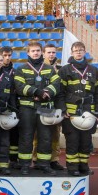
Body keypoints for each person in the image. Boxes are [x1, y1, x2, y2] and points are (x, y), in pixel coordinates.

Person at [56, 42, 98, 176]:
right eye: (76, 50)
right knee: (72, 141)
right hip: (70, 114)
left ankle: (84, 166)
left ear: (85, 52)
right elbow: (60, 92)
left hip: (89, 112)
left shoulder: (93, 70)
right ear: (71, 52)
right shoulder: (64, 70)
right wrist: (62, 109)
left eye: (81, 50)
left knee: (86, 142)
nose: (78, 52)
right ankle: (72, 168)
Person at [14, 42, 61, 176]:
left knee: (46, 137)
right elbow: (19, 86)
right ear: (28, 53)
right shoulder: (21, 69)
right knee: (26, 137)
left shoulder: (49, 68)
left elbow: (56, 83)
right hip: (27, 108)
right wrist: (36, 92)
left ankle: (43, 164)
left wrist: (46, 93)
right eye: (33, 51)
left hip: (46, 107)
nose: (35, 53)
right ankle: (24, 164)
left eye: (38, 50)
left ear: (42, 52)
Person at [36, 43, 64, 171]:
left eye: (53, 52)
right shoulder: (38, 68)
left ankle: (54, 159)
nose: (51, 54)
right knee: (38, 134)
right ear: (43, 53)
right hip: (41, 104)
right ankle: (36, 159)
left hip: (55, 105)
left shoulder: (61, 68)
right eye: (49, 52)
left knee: (55, 134)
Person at [0, 46, 20, 169]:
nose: (7, 58)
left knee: (14, 135)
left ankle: (13, 160)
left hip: (14, 106)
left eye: (9, 55)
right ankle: (0, 158)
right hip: (0, 106)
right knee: (0, 135)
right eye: (4, 55)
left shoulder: (16, 72)